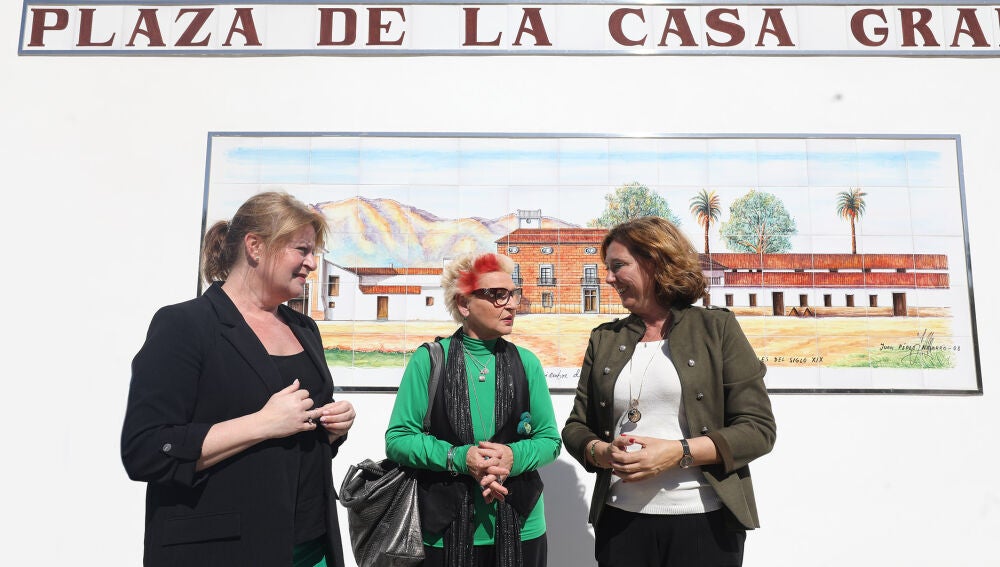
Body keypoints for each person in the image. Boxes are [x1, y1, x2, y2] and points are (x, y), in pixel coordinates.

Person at [121, 191, 356, 567]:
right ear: (255, 246)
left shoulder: (304, 328)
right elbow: (146, 450)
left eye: (313, 252)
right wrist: (263, 423)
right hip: (223, 549)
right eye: (302, 250)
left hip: (312, 546)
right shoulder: (185, 325)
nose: (312, 263)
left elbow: (295, 436)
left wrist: (331, 429)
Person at [562, 216, 777, 567]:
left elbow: (758, 430)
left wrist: (678, 453)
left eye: (618, 266)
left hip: (705, 522)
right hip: (619, 522)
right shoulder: (604, 339)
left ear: (654, 262)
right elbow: (576, 427)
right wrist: (602, 453)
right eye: (608, 268)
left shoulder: (717, 328)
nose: (608, 278)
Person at [385, 252, 561, 567]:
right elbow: (399, 439)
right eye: (498, 295)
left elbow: (550, 440)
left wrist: (512, 458)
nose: (512, 304)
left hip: (522, 527)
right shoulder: (429, 360)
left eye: (513, 293)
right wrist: (459, 457)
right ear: (464, 303)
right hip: (443, 530)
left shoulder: (527, 363)